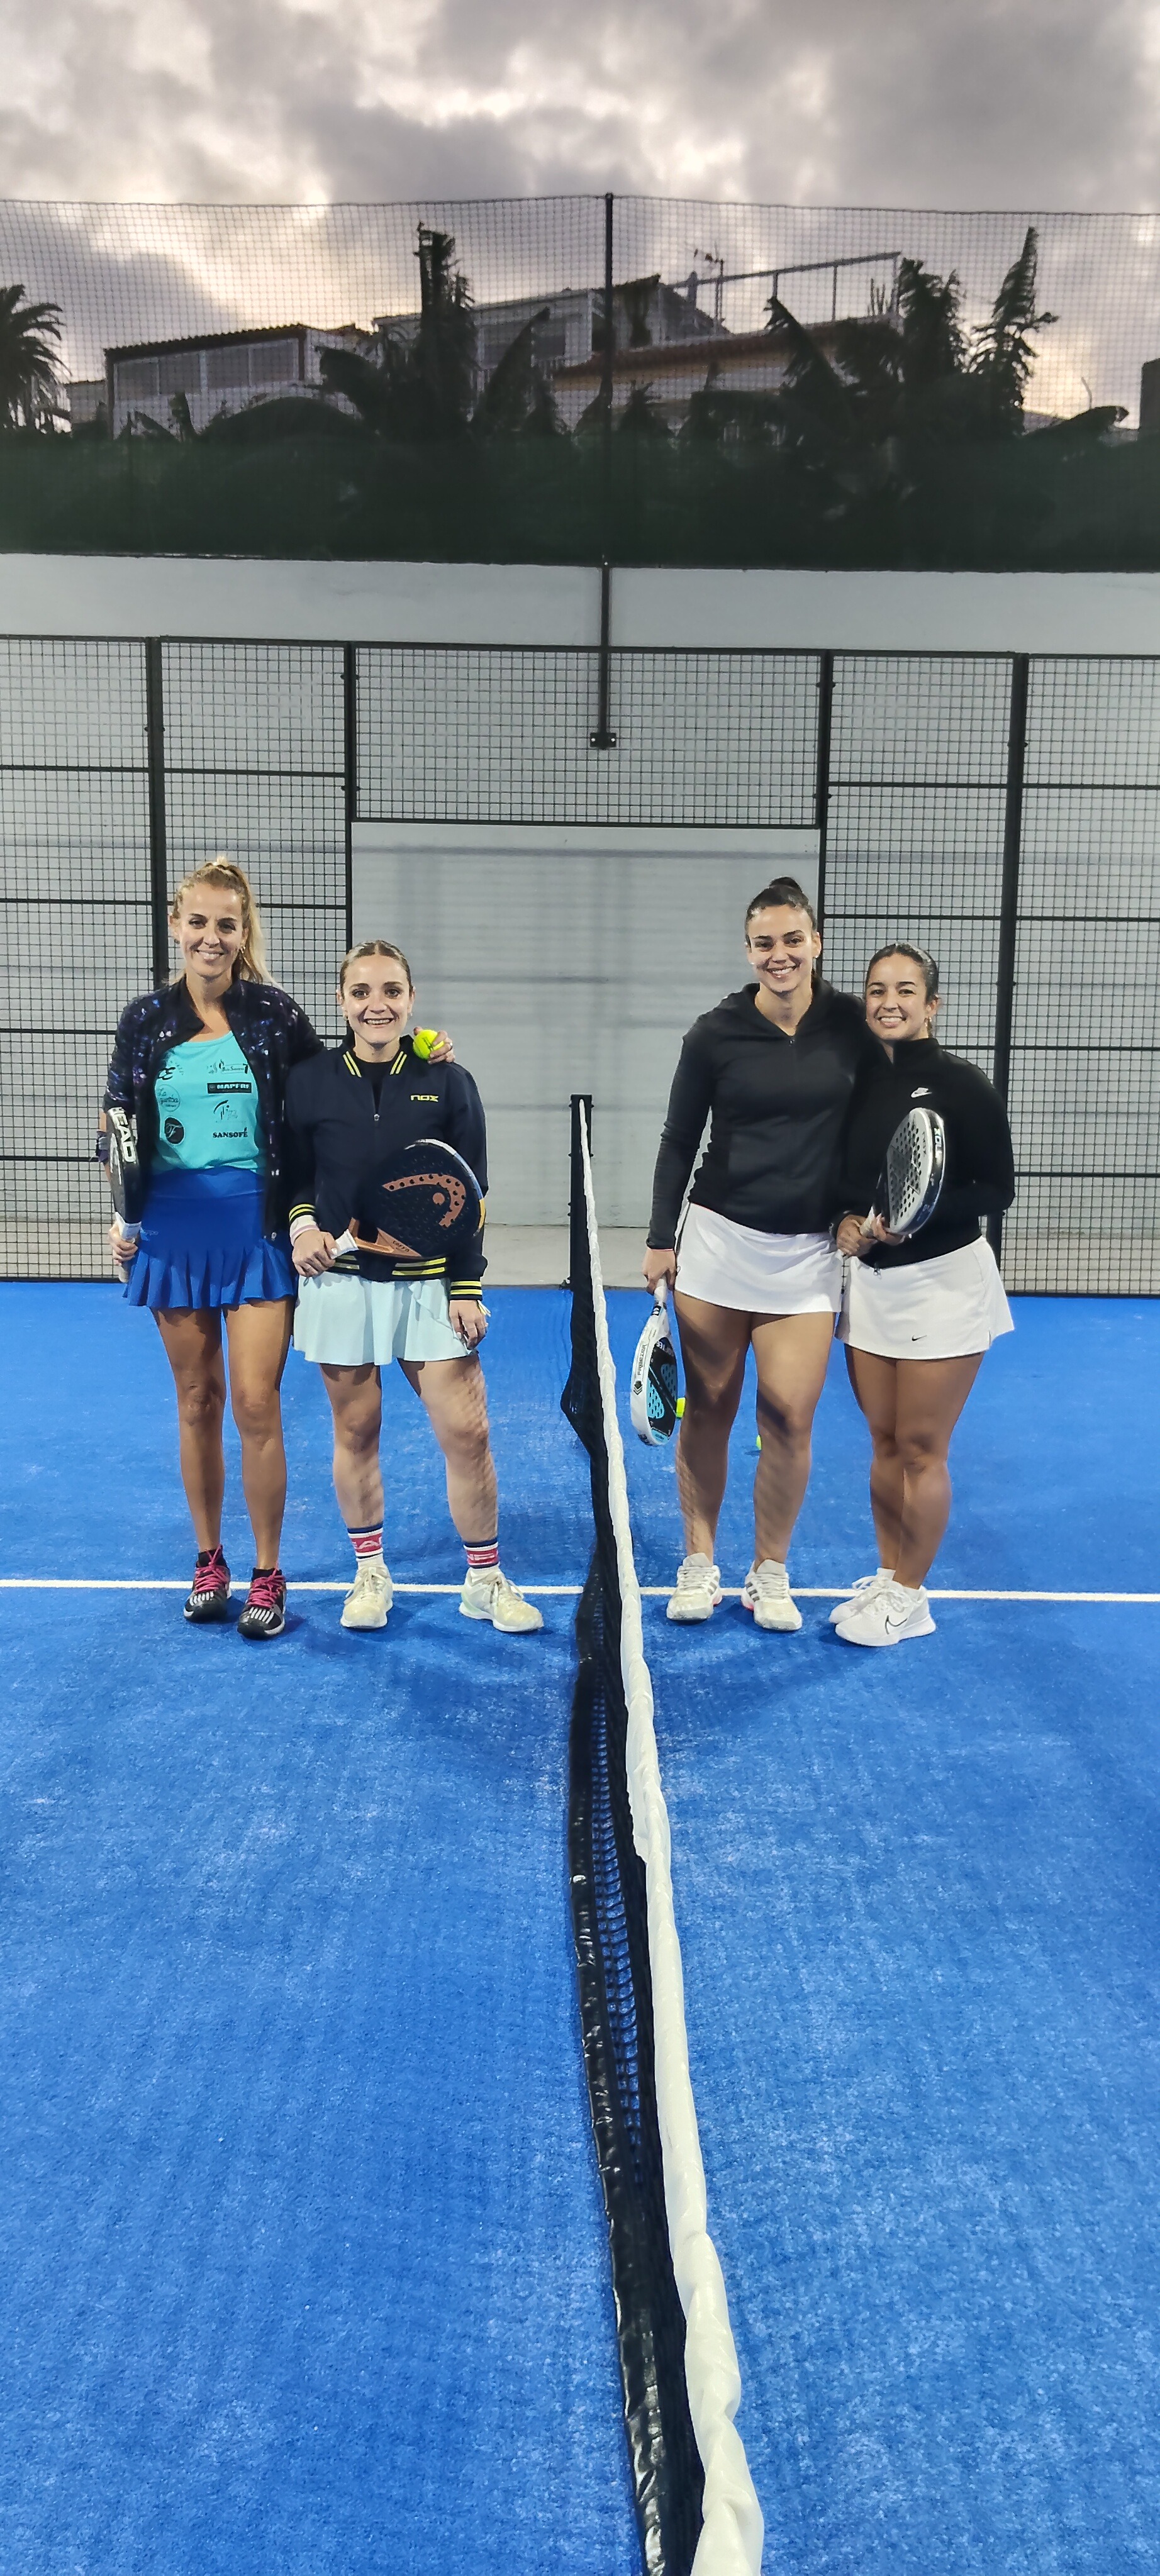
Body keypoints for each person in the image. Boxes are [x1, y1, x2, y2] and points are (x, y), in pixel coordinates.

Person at [284, 940, 543, 1636]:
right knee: (356, 1430)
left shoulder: (448, 1080)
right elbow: (295, 1173)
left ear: (411, 998)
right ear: (341, 1000)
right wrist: (303, 1225)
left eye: (391, 991)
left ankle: (483, 1581)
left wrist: (466, 1284)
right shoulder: (308, 1081)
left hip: (429, 1283)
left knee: (468, 1432)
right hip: (341, 1283)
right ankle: (370, 1573)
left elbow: (469, 1190)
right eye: (362, 991)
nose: (377, 1005)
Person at [644, 876, 880, 1631]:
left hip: (806, 1257)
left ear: (816, 942)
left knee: (787, 1416)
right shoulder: (713, 1034)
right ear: (748, 951)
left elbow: (873, 1131)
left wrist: (856, 1210)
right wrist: (658, 1238)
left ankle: (768, 1571)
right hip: (717, 1244)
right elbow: (678, 1139)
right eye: (763, 943)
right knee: (709, 1408)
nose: (778, 955)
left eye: (791, 940)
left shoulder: (852, 1028)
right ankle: (698, 1562)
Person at [101, 858, 323, 1638]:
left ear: (242, 931)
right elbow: (116, 1123)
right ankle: (209, 1561)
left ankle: (268, 1572)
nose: (211, 936)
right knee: (198, 1401)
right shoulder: (143, 1021)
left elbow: (325, 1100)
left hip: (255, 1227)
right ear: (176, 926)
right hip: (172, 1230)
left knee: (257, 1401)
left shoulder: (276, 1016)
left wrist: (418, 1061)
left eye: (226, 924)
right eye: (197, 921)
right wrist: (123, 1212)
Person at [832, 944, 1015, 1648]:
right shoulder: (857, 1087)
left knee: (920, 1447)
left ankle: (911, 1598)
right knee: (882, 1441)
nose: (890, 1002)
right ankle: (888, 1574)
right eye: (878, 990)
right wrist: (848, 1222)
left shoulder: (963, 1085)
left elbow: (995, 1189)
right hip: (872, 1288)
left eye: (906, 990)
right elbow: (848, 1184)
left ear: (931, 1005)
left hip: (944, 1286)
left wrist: (912, 1221)